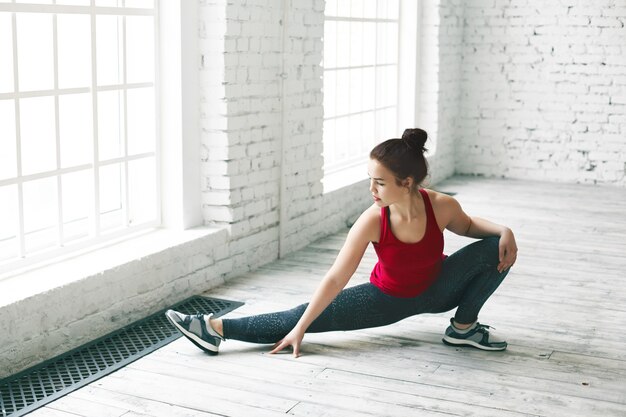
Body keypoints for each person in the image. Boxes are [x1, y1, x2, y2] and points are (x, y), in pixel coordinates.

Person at [165, 128, 518, 357]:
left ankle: (463, 328)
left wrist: (505, 230)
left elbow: (469, 225)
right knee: (299, 316)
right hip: (385, 300)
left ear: (407, 182)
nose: (371, 189)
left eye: (380, 182)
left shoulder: (441, 206)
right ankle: (212, 329)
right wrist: (301, 329)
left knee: (494, 247)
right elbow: (336, 278)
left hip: (439, 289)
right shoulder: (372, 220)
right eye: (370, 180)